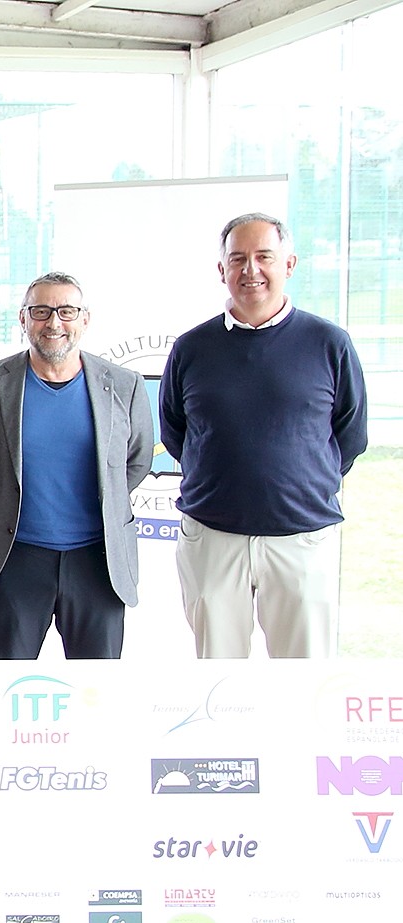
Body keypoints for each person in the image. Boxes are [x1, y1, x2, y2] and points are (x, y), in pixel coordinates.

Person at [159, 213, 368, 659]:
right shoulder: (191, 348)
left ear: (288, 264)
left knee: (303, 679)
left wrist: (298, 477)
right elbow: (177, 431)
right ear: (222, 271)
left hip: (301, 537)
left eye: (263, 257)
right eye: (237, 259)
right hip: (213, 537)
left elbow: (350, 435)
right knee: (217, 681)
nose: (250, 270)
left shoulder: (330, 343)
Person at [0, 272, 153, 658]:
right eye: (42, 311)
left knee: (97, 692)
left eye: (66, 311)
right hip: (16, 557)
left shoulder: (124, 384)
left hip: (99, 561)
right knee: (6, 684)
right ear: (23, 319)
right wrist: (6, 500)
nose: (54, 323)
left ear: (84, 319)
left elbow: (137, 459)